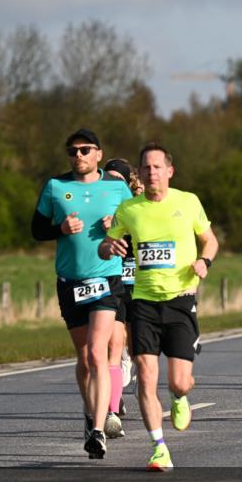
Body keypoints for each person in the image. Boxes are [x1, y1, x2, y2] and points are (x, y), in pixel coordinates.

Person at [100, 142, 219, 471]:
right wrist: (109, 246)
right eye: (145, 167)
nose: (151, 172)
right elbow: (105, 247)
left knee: (179, 381)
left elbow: (210, 240)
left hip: (180, 301)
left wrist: (204, 261)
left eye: (157, 167)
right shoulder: (129, 210)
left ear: (169, 171)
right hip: (143, 303)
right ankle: (158, 447)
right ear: (138, 173)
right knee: (147, 376)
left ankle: (180, 397)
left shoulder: (188, 201)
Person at [32, 129, 131, 459]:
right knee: (84, 359)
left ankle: (100, 430)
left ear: (99, 154)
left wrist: (116, 227)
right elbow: (36, 229)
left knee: (96, 352)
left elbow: (136, 230)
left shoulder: (117, 188)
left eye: (85, 150)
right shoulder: (55, 187)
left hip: (107, 278)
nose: (78, 156)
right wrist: (59, 229)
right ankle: (91, 414)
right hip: (70, 281)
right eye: (72, 151)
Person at [103, 158, 140, 421]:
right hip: (113, 282)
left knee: (137, 342)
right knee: (112, 344)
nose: (112, 181)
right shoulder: (98, 203)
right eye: (109, 176)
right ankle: (113, 405)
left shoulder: (137, 206)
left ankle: (138, 366)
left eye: (118, 178)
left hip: (138, 283)